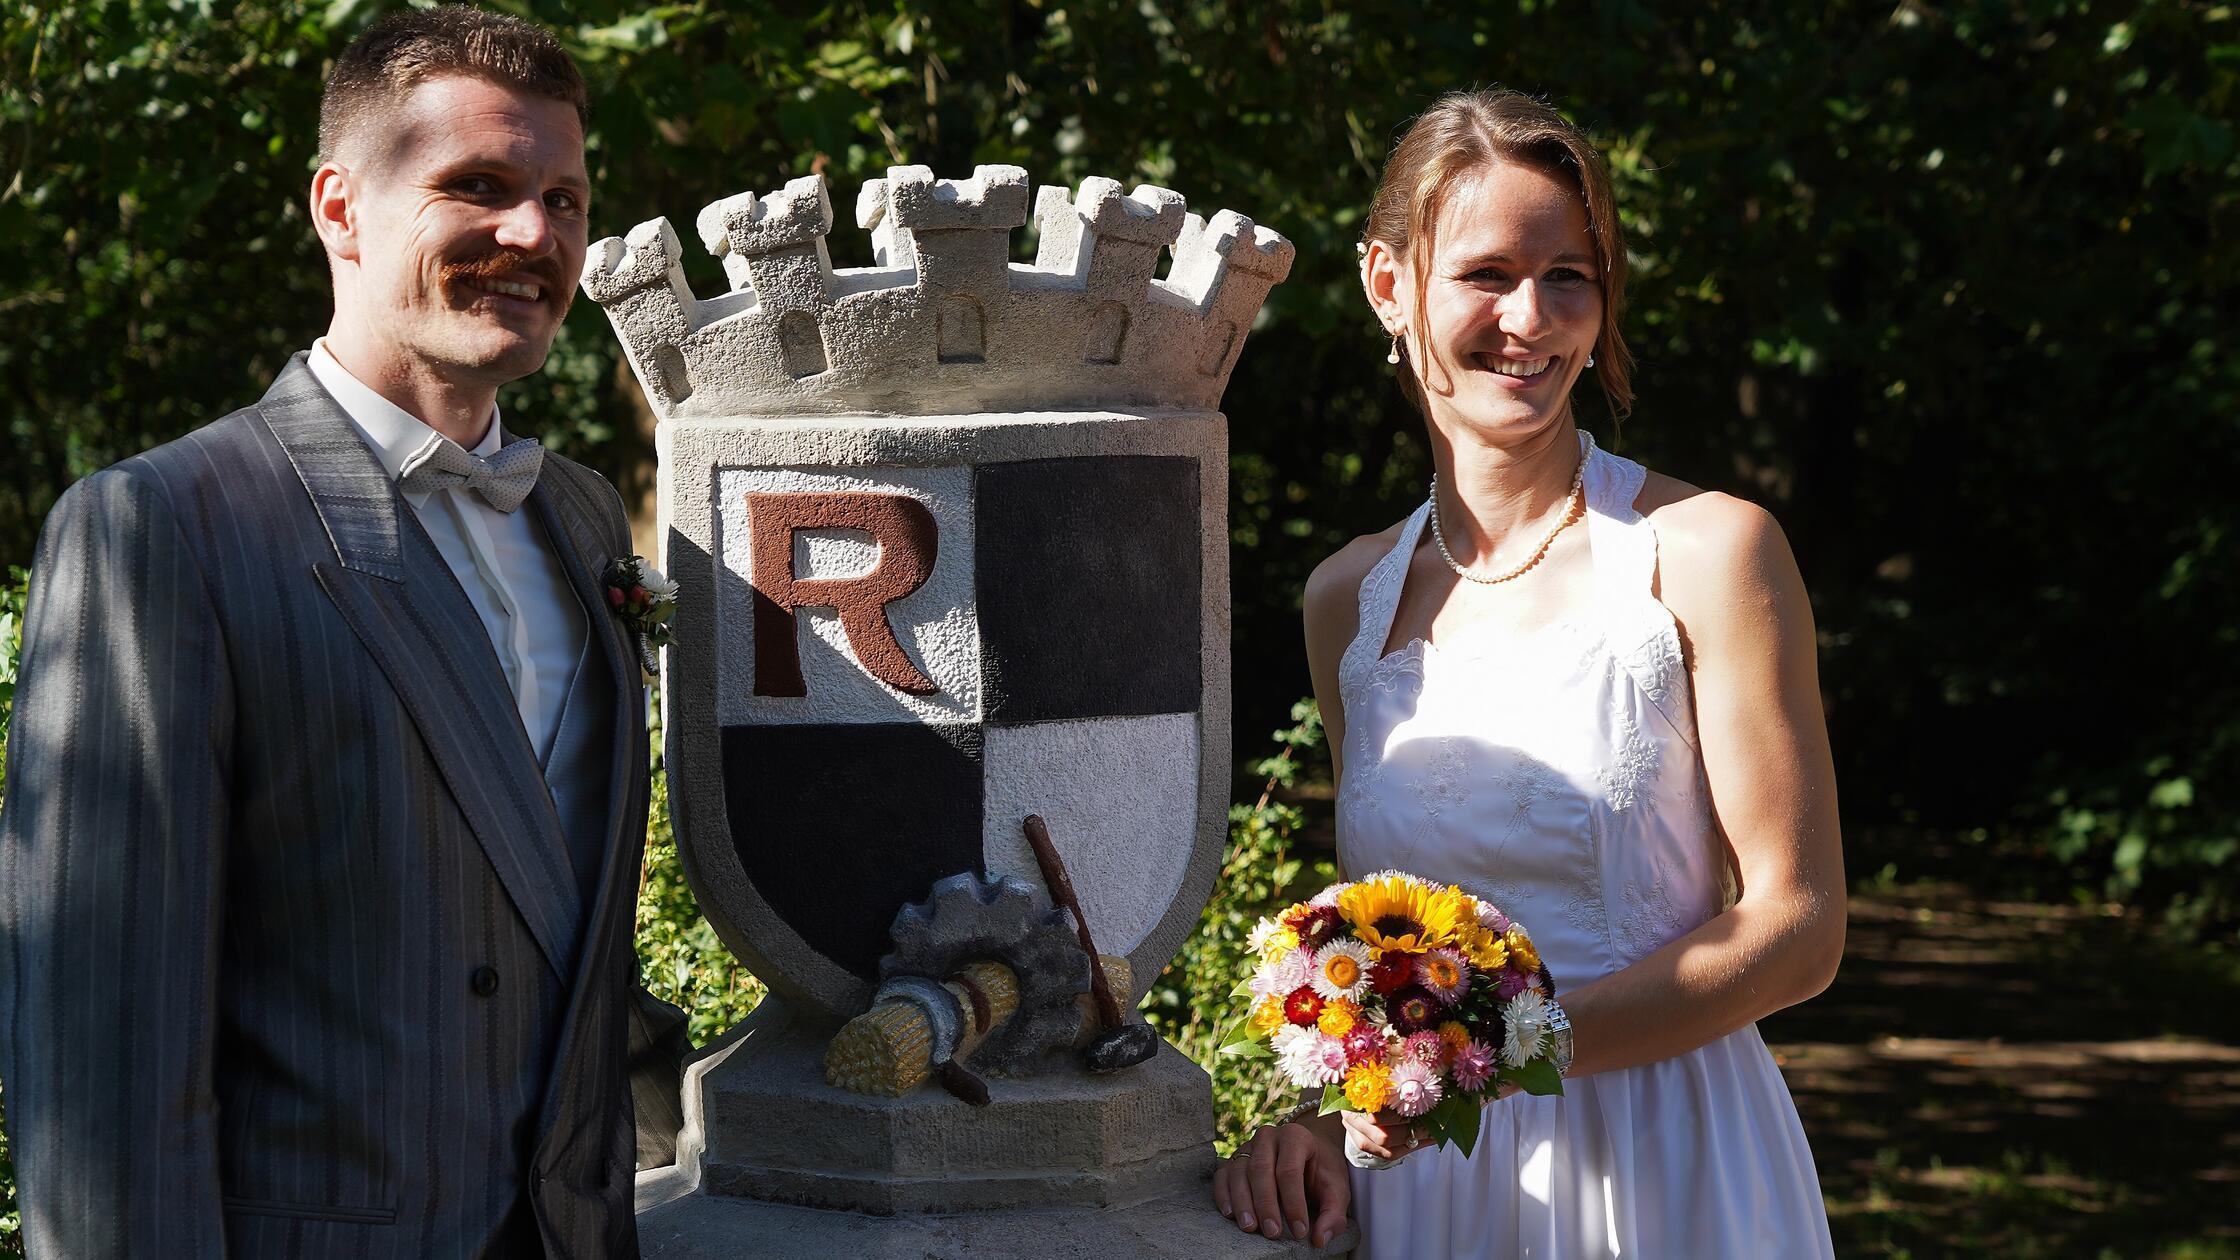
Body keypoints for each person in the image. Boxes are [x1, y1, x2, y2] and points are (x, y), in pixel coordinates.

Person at [0, 9, 689, 1256]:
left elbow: (563, 937)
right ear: (340, 207)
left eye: (565, 199)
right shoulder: (164, 527)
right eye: (477, 186)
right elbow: (104, 1064)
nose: (535, 235)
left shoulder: (585, 518)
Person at [1212, 88, 1844, 1257]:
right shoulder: (1347, 599)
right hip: (1427, 1182)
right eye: (1487, 273)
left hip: (1663, 1163)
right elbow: (1388, 935)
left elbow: (1798, 930)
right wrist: (1316, 1109)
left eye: (1570, 276)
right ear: (1387, 284)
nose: (1532, 318)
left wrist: (1505, 1053)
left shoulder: (1707, 553)